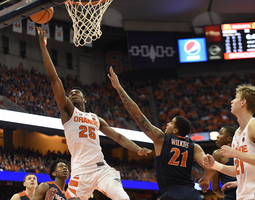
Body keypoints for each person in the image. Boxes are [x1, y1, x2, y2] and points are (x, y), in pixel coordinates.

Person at [37, 27, 152, 200]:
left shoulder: (95, 119)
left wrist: (138, 149)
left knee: (123, 198)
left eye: (77, 92)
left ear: (85, 99)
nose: (73, 93)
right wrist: (44, 48)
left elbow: (118, 138)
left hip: (102, 169)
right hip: (81, 172)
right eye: (71, 93)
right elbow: (55, 79)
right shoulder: (68, 112)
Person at [107, 66, 214, 200]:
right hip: (191, 193)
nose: (167, 124)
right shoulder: (194, 147)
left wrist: (119, 88)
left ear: (175, 130)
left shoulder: (161, 139)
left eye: (171, 122)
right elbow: (210, 167)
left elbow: (137, 114)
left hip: (171, 194)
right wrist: (205, 178)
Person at [203, 84, 255, 200]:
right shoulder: (237, 133)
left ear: (243, 103)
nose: (232, 101)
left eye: (236, 98)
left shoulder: (253, 125)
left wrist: (235, 153)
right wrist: (214, 165)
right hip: (242, 195)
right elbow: (239, 169)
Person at [211, 126, 237, 200]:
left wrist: (226, 196)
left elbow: (215, 188)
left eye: (221, 134)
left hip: (231, 193)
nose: (217, 136)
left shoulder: (218, 153)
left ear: (229, 139)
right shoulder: (244, 151)